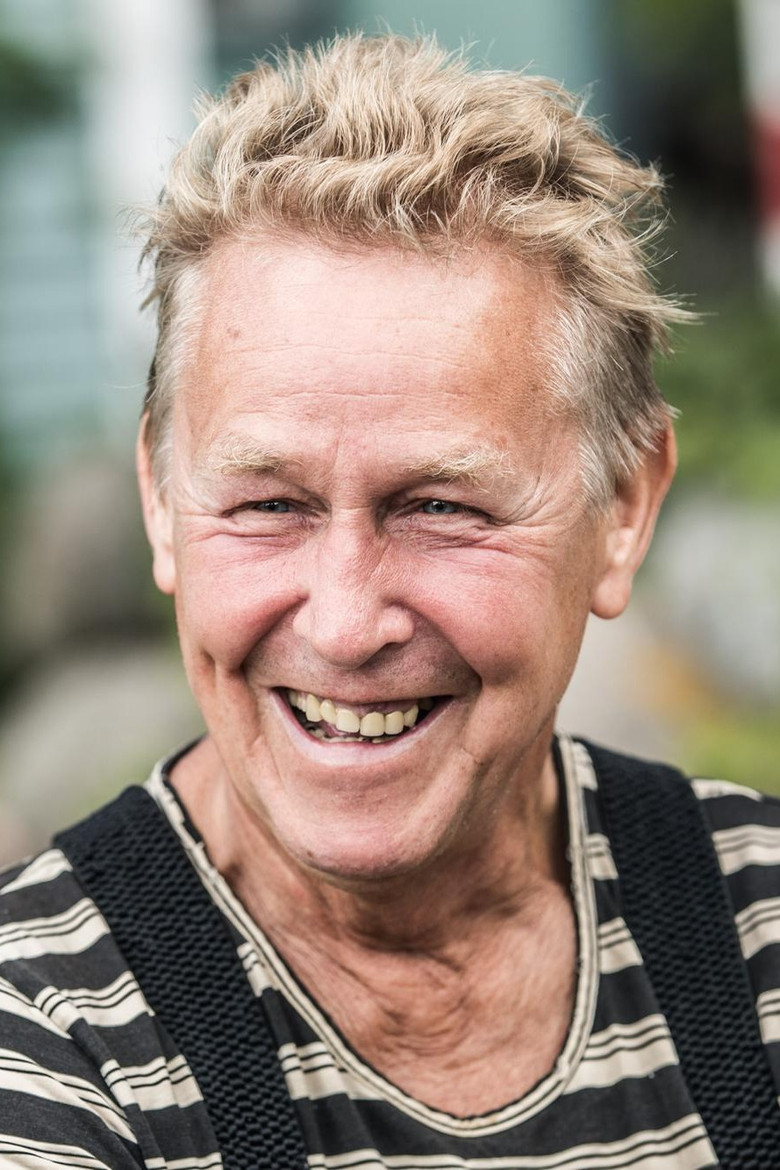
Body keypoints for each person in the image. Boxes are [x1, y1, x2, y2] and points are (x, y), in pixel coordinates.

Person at [0, 32, 778, 1170]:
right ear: (161, 502)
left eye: (441, 507)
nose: (344, 623)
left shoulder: (761, 938)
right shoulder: (43, 1039)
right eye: (268, 504)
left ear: (623, 507)